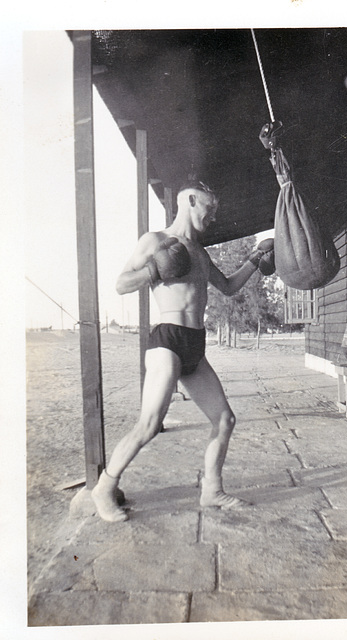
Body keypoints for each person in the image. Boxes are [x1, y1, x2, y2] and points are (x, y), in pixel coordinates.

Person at [92, 181, 275, 522]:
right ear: (191, 200)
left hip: (195, 344)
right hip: (168, 340)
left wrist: (255, 259)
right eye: (211, 207)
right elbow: (120, 284)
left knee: (224, 419)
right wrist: (153, 270)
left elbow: (230, 287)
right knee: (149, 423)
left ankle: (212, 490)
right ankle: (103, 488)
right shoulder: (156, 241)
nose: (214, 216)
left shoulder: (201, 253)